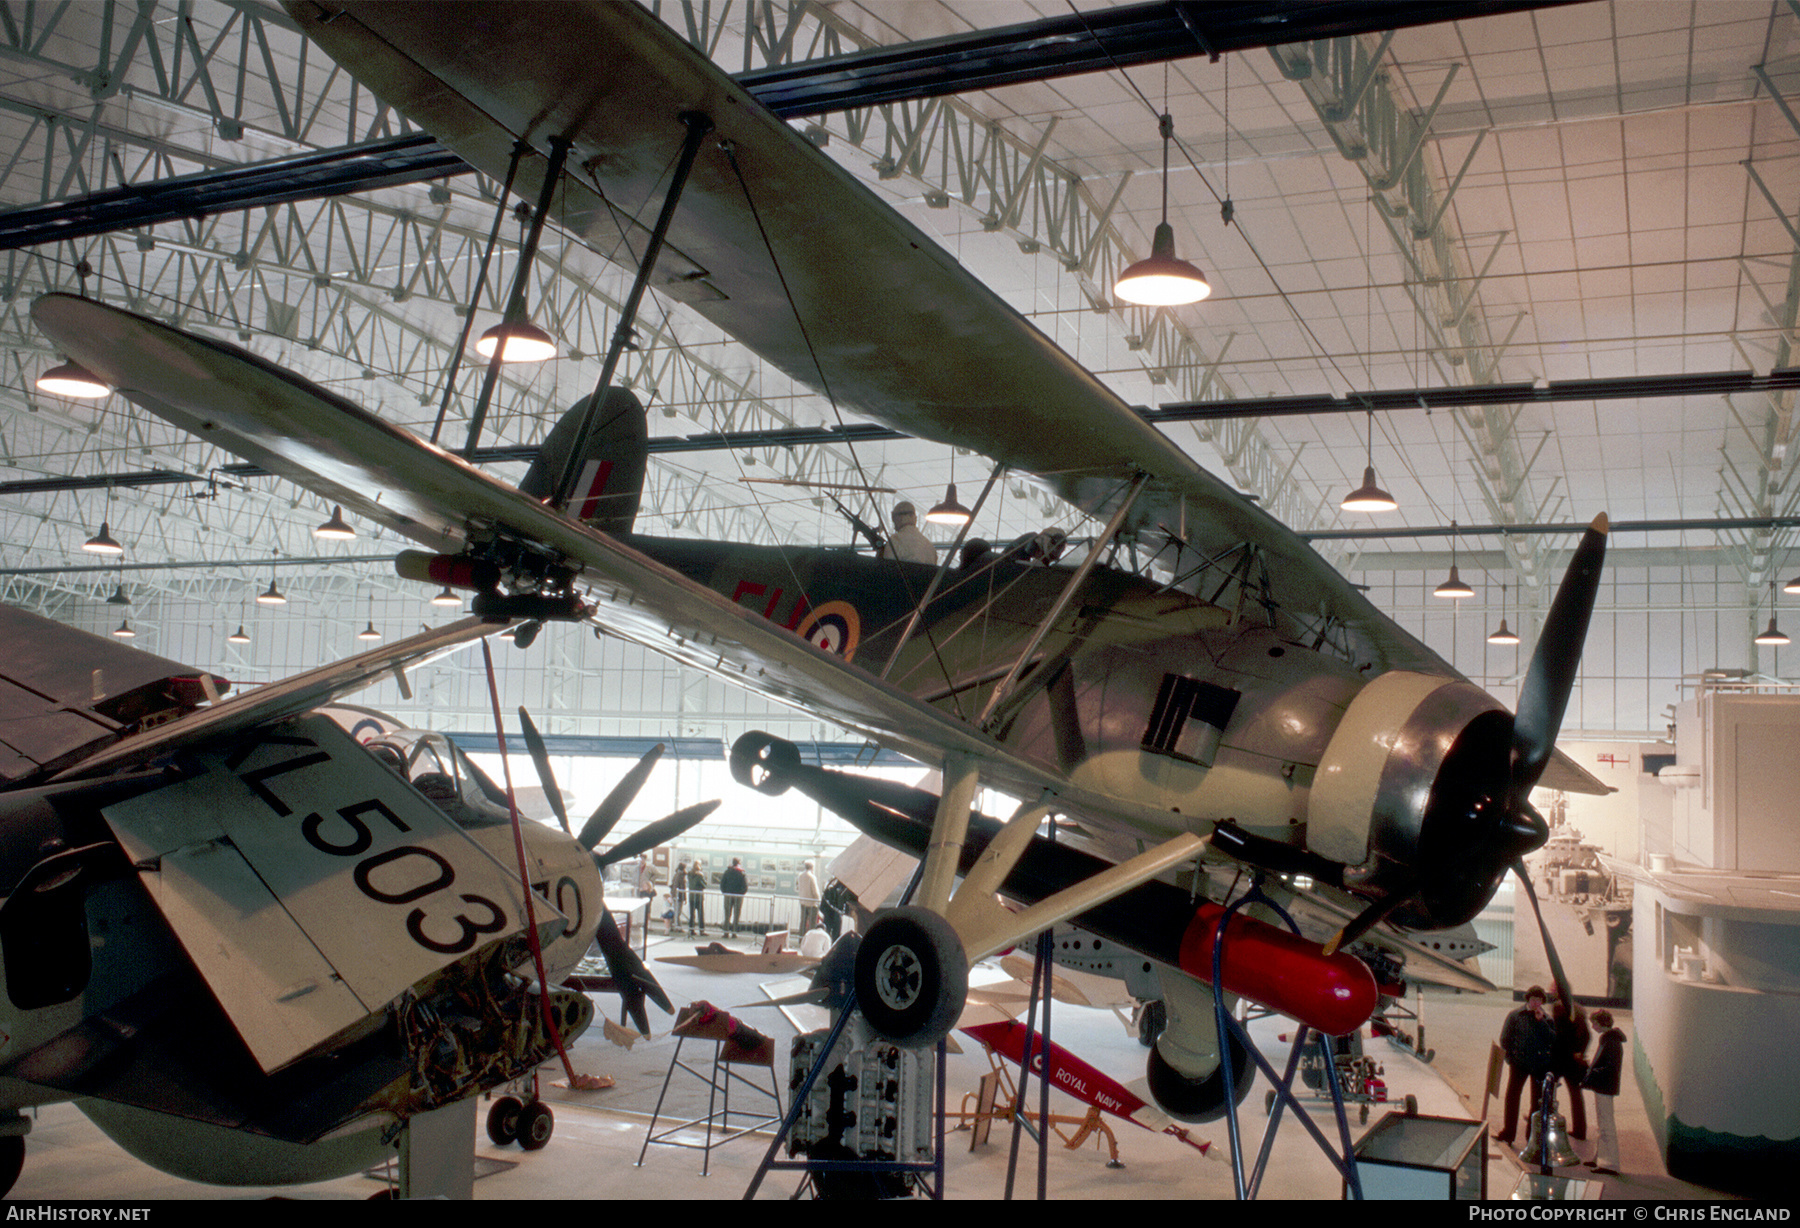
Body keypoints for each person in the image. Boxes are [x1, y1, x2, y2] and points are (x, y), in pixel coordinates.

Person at [1495, 985, 1557, 1146]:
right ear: (1528, 999)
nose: (1536, 1002)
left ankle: (1532, 1137)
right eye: (1533, 999)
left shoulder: (1547, 1019)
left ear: (1542, 1001)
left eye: (1539, 1000)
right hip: (1519, 1063)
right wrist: (1510, 1059)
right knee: (1512, 1097)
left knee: (1536, 1101)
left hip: (1539, 1065)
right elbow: (1505, 1039)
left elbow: (1552, 1039)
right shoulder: (1515, 1015)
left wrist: (1540, 1021)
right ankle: (1508, 1132)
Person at [1583, 1009, 1625, 1175]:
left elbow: (1609, 1069)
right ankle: (1600, 1157)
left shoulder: (1611, 1043)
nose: (1592, 1026)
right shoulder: (1610, 1040)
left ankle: (1610, 1164)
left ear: (1602, 1023)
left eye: (1594, 1023)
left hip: (1604, 1087)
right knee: (1603, 1124)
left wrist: (1591, 1074)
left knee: (1606, 1125)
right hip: (1604, 1086)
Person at [1553, 991, 1591, 1141]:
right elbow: (1587, 1035)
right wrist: (1580, 1052)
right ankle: (1580, 1130)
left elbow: (1557, 1035)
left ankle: (1542, 1120)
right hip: (1573, 1061)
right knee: (1576, 1095)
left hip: (1559, 1059)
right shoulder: (1578, 1010)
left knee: (1548, 1091)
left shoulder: (1557, 1009)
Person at [720, 857, 748, 938]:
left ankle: (726, 932)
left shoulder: (727, 871)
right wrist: (741, 893)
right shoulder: (741, 873)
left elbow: (722, 883)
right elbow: (745, 886)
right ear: (738, 863)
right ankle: (734, 932)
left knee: (727, 914)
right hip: (738, 896)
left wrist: (724, 892)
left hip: (728, 895)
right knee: (736, 915)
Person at [796, 861, 820, 933]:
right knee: (812, 923)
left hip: (803, 902)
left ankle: (801, 938)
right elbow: (815, 891)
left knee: (803, 921)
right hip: (811, 903)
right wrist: (818, 900)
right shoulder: (812, 877)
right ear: (812, 867)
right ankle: (810, 937)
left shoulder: (800, 876)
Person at [687, 862, 707, 937]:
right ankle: (701, 930)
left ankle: (691, 930)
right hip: (698, 896)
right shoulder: (699, 875)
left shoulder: (689, 874)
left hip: (691, 896)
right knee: (700, 914)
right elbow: (704, 885)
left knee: (692, 914)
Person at [670, 860, 688, 937]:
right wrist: (683, 897)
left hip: (676, 895)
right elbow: (679, 887)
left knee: (676, 911)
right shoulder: (680, 875)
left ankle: (673, 926)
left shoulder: (677, 874)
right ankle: (677, 927)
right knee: (678, 912)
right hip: (678, 896)